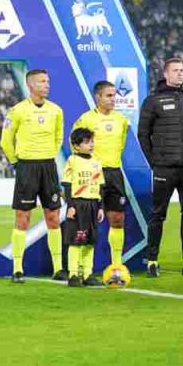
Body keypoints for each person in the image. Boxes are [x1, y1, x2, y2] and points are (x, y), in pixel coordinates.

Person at [138, 58, 183, 277]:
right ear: (165, 74)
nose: (180, 74)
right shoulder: (153, 101)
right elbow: (143, 134)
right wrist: (154, 161)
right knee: (157, 215)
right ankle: (152, 262)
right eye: (175, 70)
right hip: (164, 168)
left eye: (182, 70)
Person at [0, 68, 64, 283]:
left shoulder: (56, 110)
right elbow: (5, 140)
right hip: (26, 168)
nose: (47, 85)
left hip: (48, 167)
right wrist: (16, 163)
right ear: (30, 85)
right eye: (42, 82)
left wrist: (47, 156)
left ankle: (58, 268)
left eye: (48, 81)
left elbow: (58, 138)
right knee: (22, 218)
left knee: (53, 218)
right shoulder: (17, 111)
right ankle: (17, 268)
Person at [73, 80, 129, 274]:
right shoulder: (86, 119)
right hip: (92, 174)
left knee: (117, 218)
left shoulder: (121, 120)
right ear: (98, 97)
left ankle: (116, 265)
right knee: (86, 220)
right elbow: (76, 145)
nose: (113, 99)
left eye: (114, 95)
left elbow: (121, 145)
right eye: (109, 95)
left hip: (114, 172)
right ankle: (81, 267)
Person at [61, 128, 105, 287]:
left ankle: (88, 274)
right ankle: (73, 275)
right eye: (86, 142)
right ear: (76, 146)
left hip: (93, 204)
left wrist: (101, 207)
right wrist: (70, 206)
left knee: (89, 241)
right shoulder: (72, 161)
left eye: (92, 141)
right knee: (76, 240)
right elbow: (66, 185)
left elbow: (101, 186)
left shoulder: (96, 162)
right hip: (78, 205)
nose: (91, 145)